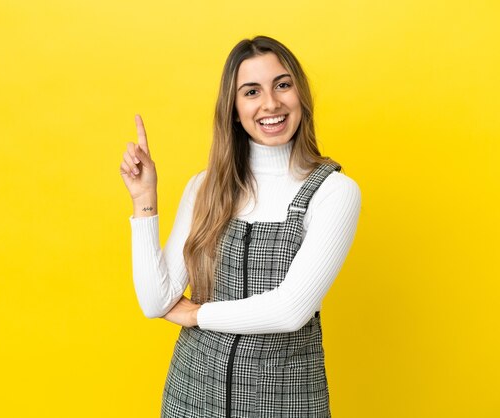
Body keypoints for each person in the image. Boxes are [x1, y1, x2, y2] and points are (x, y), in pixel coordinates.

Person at [120, 35, 361, 418]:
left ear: (300, 94)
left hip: (285, 401)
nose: (271, 103)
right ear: (233, 109)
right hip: (191, 394)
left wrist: (196, 314)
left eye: (282, 85)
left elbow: (291, 310)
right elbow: (155, 300)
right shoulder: (205, 187)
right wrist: (143, 199)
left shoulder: (334, 192)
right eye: (251, 92)